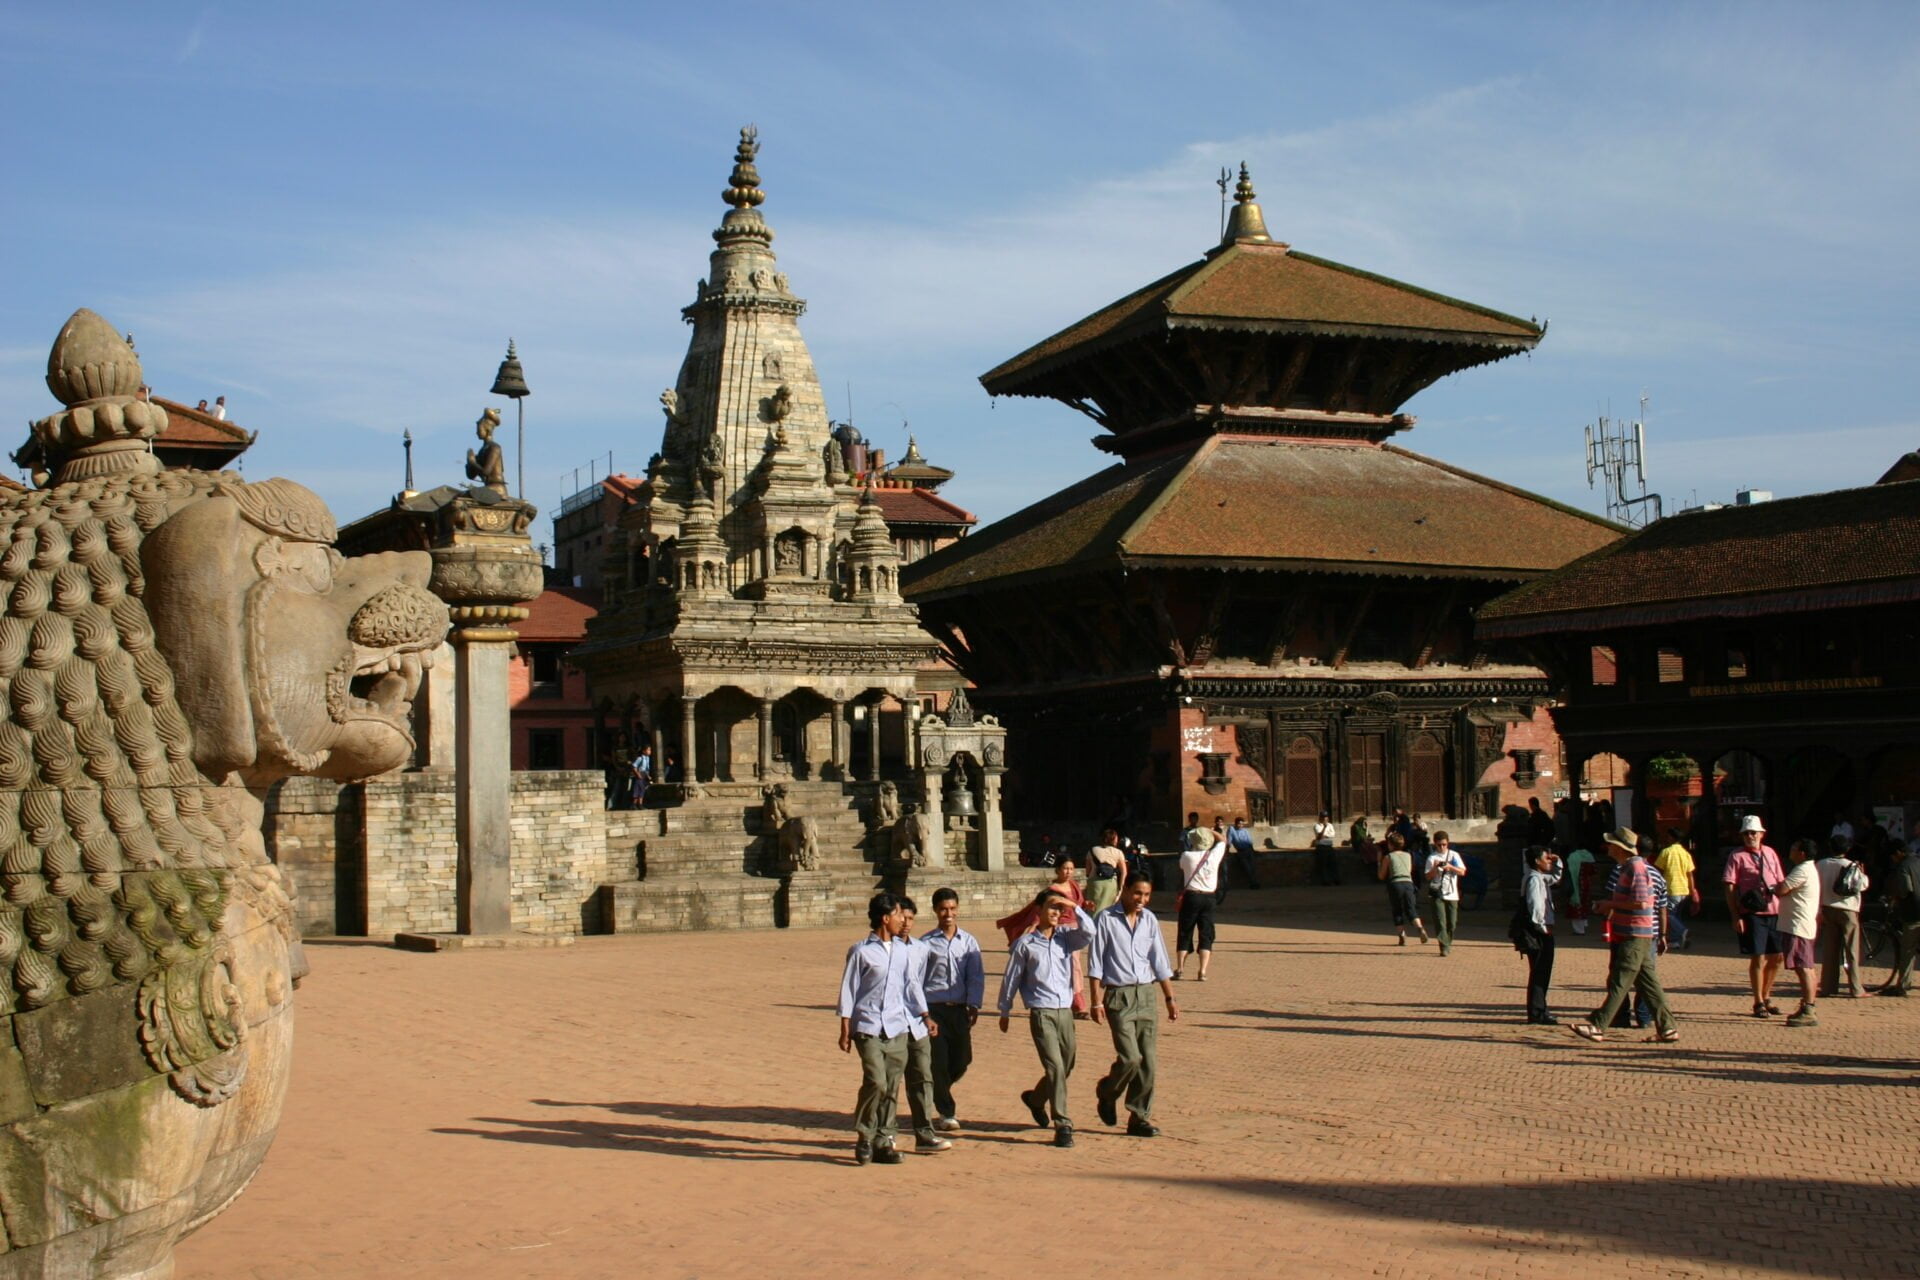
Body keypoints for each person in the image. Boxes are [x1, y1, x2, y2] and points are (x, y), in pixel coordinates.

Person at [837, 892, 936, 1165]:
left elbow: (912, 985)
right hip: (868, 1025)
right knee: (876, 1081)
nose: (902, 919)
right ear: (885, 918)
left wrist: (924, 1014)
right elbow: (849, 989)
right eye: (897, 915)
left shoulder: (905, 952)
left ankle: (883, 1140)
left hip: (897, 1027)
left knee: (891, 1087)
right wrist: (845, 1026)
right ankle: (864, 1134)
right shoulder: (861, 952)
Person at [1088, 871, 1180, 1137]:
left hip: (1146, 995)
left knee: (1148, 1061)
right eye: (1137, 893)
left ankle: (1139, 1117)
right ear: (1125, 890)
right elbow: (1095, 963)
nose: (1141, 899)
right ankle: (1108, 1092)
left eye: (1147, 895)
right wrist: (1096, 1002)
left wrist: (1170, 998)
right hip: (1119, 996)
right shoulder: (1106, 919)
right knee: (1130, 1058)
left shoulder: (1149, 920)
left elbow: (1160, 961)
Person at [997, 890, 1091, 1148]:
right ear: (1037, 911)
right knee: (1055, 1067)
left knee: (1067, 1064)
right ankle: (1062, 1123)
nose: (1056, 913)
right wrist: (1004, 1010)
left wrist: (1074, 906)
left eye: (1059, 910)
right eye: (1051, 907)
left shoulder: (1067, 939)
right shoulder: (1025, 944)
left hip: (1065, 1011)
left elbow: (1090, 933)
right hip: (1041, 1012)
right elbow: (1012, 977)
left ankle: (1037, 1099)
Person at [1572, 828, 1678, 1044]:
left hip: (1635, 933)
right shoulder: (1628, 867)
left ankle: (1598, 1025)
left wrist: (1610, 904)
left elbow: (1642, 903)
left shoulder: (1636, 868)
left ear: (1621, 848)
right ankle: (1668, 1027)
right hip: (1634, 932)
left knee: (1621, 980)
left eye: (1611, 844)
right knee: (1648, 983)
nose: (1608, 847)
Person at [920, 887, 985, 1130]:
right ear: (936, 911)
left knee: (962, 1059)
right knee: (938, 1060)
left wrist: (974, 1004)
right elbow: (918, 979)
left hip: (958, 1009)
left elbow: (975, 976)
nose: (948, 914)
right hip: (934, 1009)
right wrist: (923, 1013)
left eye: (952, 909)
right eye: (943, 909)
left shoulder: (968, 942)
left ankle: (939, 1087)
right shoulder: (925, 943)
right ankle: (946, 1112)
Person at [893, 899, 954, 1152]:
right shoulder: (878, 949)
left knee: (922, 1078)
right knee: (889, 1081)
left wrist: (926, 1015)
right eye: (902, 918)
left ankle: (924, 1132)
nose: (906, 923)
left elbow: (918, 985)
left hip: (917, 1021)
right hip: (891, 1023)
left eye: (911, 918)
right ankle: (884, 1132)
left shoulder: (920, 948)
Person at [1723, 814, 1786, 1017]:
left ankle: (1766, 995)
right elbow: (1730, 886)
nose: (1750, 836)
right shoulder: (1737, 856)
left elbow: (1780, 880)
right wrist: (1735, 916)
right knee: (1757, 957)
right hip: (1752, 913)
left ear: (1761, 834)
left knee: (1777, 956)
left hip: (1774, 909)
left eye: (1753, 832)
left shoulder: (1770, 853)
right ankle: (1757, 1001)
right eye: (1746, 833)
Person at [1773, 839, 1822, 1028]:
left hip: (1798, 925)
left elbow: (1782, 889)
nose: (1790, 851)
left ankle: (1809, 1008)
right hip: (1800, 924)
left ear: (1801, 853)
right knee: (1805, 967)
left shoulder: (1802, 870)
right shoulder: (1807, 869)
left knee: (1804, 967)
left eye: (1793, 848)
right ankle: (1807, 1005)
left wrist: (1774, 887)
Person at [1816, 835, 1870, 1000]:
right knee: (1851, 950)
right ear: (1847, 849)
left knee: (1830, 950)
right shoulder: (1851, 865)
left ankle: (1828, 987)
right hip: (1847, 910)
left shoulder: (1820, 864)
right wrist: (1862, 872)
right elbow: (1863, 885)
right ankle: (1855, 988)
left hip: (1827, 909)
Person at [1518, 844, 1562, 1023]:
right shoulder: (1535, 879)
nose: (1548, 861)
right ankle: (1537, 1012)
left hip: (1538, 930)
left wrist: (1558, 863)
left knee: (1540, 971)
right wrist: (1542, 927)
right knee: (1540, 971)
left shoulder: (1537, 876)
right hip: (1538, 931)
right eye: (1546, 858)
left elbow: (1555, 878)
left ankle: (1540, 1009)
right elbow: (1536, 906)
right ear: (1537, 861)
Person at [1174, 828, 1226, 979]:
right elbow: (1223, 840)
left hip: (1191, 896)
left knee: (1185, 931)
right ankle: (1202, 971)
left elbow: (1182, 869)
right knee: (1206, 934)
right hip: (1209, 898)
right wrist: (1210, 830)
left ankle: (1180, 968)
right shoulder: (1214, 855)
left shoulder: (1186, 856)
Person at [1879, 841, 1920, 996]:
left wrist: (1894, 898)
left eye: (1893, 857)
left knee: (1908, 951)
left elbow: (1905, 890)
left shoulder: (1903, 867)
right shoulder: (1918, 861)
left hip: (1913, 914)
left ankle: (1903, 986)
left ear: (1898, 853)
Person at [1376, 832, 1429, 947]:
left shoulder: (1388, 857)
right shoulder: (1408, 855)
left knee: (1397, 910)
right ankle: (1420, 928)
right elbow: (1409, 870)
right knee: (1411, 909)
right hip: (1408, 883)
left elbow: (1381, 875)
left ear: (1390, 845)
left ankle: (1402, 935)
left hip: (1395, 883)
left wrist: (1379, 862)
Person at [1652, 827, 1698, 950]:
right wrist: (1693, 890)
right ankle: (1675, 941)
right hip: (1684, 890)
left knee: (1667, 914)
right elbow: (1690, 874)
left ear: (1671, 837)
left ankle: (1682, 931)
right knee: (1677, 915)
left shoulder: (1666, 852)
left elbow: (1658, 870)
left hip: (1671, 888)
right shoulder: (1685, 853)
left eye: (1668, 836)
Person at [1423, 831, 1466, 956]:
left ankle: (1448, 942)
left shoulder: (1454, 855)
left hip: (1452, 893)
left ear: (1448, 843)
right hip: (1437, 893)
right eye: (1439, 845)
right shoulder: (1432, 858)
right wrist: (1435, 868)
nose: (1442, 847)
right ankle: (1443, 946)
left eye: (1444, 844)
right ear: (1435, 844)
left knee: (1452, 922)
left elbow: (1462, 872)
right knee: (1440, 921)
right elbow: (1427, 877)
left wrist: (1450, 867)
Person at [464, 407, 507, 492]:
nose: (476, 432)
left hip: (496, 488)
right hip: (488, 487)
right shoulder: (482, 450)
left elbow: (486, 472)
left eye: (479, 430)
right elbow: (471, 476)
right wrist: (469, 463)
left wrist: (472, 462)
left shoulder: (494, 447)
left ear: (487, 430)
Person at [1085, 829, 1127, 915]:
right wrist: (1120, 888)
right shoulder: (1118, 852)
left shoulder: (1092, 850)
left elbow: (1088, 871)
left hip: (1094, 883)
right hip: (1111, 883)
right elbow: (1124, 872)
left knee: (1093, 909)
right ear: (1113, 839)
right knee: (1109, 910)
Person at [1563, 840, 1596, 935]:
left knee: (1575, 906)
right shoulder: (1590, 856)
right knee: (1584, 904)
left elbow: (1569, 871)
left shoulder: (1573, 856)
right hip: (1586, 883)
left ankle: (1579, 929)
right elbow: (1593, 872)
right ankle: (1584, 923)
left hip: (1575, 883)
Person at [1225, 816, 1262, 890]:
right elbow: (1229, 842)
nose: (1241, 825)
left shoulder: (1245, 831)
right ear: (1236, 824)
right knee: (1247, 868)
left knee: (1252, 867)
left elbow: (1249, 841)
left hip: (1249, 850)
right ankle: (1253, 883)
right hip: (1241, 852)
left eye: (1242, 824)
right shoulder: (1232, 830)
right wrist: (1227, 852)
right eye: (1239, 824)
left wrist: (1253, 851)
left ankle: (1254, 882)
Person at [1311, 810, 1341, 885]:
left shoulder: (1330, 825)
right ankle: (1325, 881)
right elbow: (1319, 837)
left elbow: (1333, 835)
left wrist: (1325, 835)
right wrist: (1324, 828)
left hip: (1329, 847)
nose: (1325, 819)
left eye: (1326, 817)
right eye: (1324, 817)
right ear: (1320, 818)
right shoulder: (1317, 826)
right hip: (1321, 847)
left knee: (1333, 864)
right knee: (1323, 865)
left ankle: (1336, 880)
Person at [629, 745, 653, 809]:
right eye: (648, 750)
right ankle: (634, 804)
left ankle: (640, 804)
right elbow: (634, 766)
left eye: (650, 750)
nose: (650, 751)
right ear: (644, 751)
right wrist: (637, 774)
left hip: (644, 775)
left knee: (642, 790)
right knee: (638, 789)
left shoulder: (648, 759)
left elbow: (646, 769)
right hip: (639, 774)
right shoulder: (640, 758)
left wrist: (648, 776)